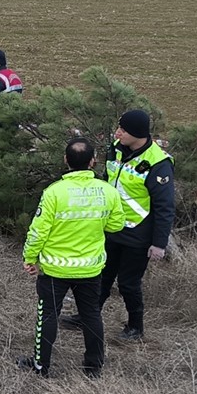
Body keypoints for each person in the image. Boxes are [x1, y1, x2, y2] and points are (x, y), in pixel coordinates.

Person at [61, 110, 175, 342]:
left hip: (138, 234)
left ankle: (136, 327)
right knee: (100, 276)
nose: (117, 132)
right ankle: (87, 316)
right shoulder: (116, 148)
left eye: (123, 129)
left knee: (128, 284)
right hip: (111, 227)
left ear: (137, 133)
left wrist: (158, 244)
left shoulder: (158, 163)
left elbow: (165, 207)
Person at [17, 138, 126, 378]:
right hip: (91, 268)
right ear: (93, 161)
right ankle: (94, 366)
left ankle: (40, 365)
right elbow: (117, 225)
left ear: (65, 160)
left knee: (48, 316)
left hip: (55, 270)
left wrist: (30, 258)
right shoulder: (108, 191)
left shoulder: (54, 192)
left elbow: (38, 231)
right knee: (91, 315)